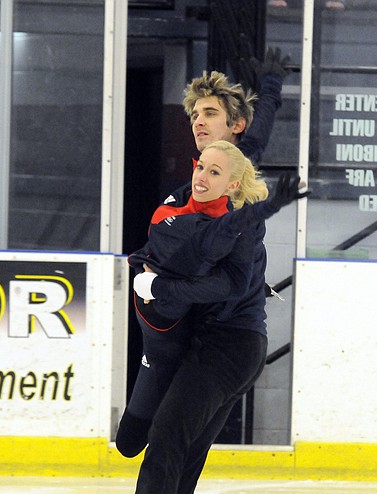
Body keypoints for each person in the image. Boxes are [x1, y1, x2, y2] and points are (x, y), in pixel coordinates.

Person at [115, 49, 291, 457]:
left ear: (236, 127)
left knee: (173, 438)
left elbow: (259, 133)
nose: (198, 120)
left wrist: (272, 87)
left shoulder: (239, 171)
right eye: (194, 114)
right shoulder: (188, 191)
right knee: (131, 441)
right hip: (177, 323)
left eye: (209, 113)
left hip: (220, 329)